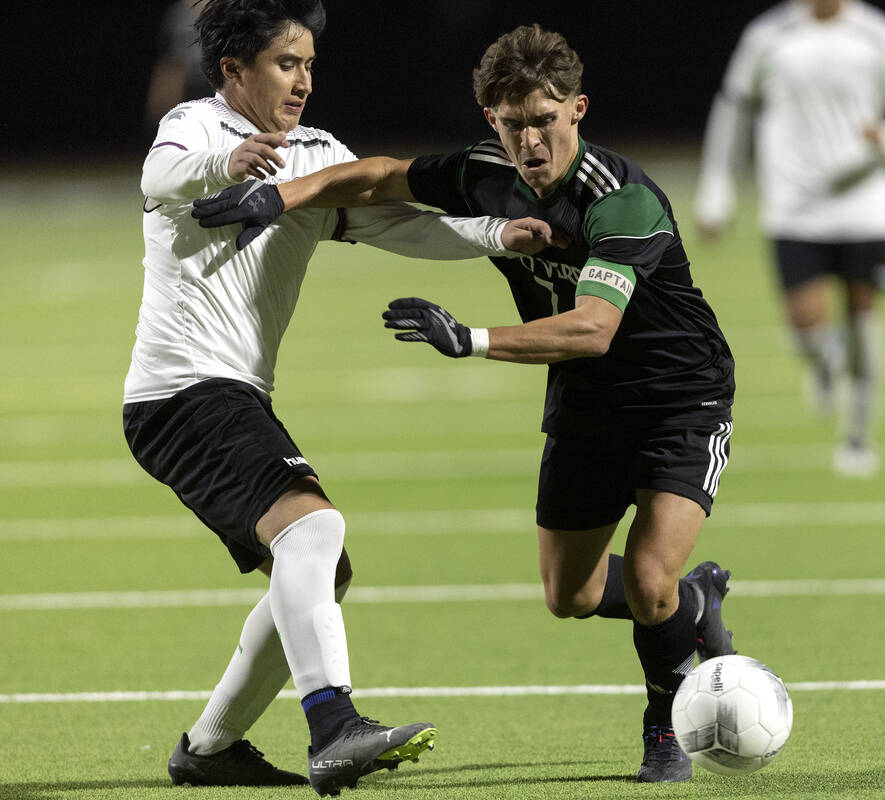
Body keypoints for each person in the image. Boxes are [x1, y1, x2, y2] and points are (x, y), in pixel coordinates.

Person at [192, 23, 739, 784]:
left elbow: (592, 329)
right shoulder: (489, 171)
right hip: (586, 403)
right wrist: (280, 197)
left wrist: (472, 339)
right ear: (493, 123)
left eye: (545, 122)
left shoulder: (624, 203)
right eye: (513, 126)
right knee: (569, 595)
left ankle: (665, 724)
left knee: (648, 584)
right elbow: (378, 176)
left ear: (578, 110)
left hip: (680, 396)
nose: (531, 143)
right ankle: (696, 601)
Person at [124, 1, 556, 795]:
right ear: (234, 71)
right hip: (179, 392)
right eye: (286, 64)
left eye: (310, 64)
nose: (303, 81)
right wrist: (228, 167)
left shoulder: (317, 153)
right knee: (314, 527)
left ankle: (211, 747)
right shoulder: (195, 127)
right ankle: (333, 725)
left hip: (230, 391)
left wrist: (497, 234)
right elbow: (160, 176)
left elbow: (397, 224)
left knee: (323, 562)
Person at [694, 0, 885, 478]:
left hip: (866, 206)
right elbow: (733, 113)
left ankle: (857, 438)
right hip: (794, 207)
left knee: (864, 319)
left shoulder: (878, 33)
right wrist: (717, 195)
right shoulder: (768, 36)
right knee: (805, 326)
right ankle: (824, 362)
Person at [145, 0, 211, 128]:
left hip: (222, 83)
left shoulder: (230, 9)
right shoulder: (178, 13)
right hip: (189, 86)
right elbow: (170, 60)